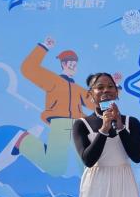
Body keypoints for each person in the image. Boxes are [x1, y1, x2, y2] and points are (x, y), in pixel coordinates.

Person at [16, 38, 94, 177]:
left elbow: (95, 103)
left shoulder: (78, 89)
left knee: (87, 164)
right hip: (60, 123)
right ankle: (25, 142)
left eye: (75, 65)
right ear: (63, 64)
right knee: (56, 168)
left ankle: (88, 189)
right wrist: (43, 47)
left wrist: (114, 88)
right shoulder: (52, 80)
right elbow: (28, 68)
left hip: (78, 124)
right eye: (71, 64)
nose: (73, 67)